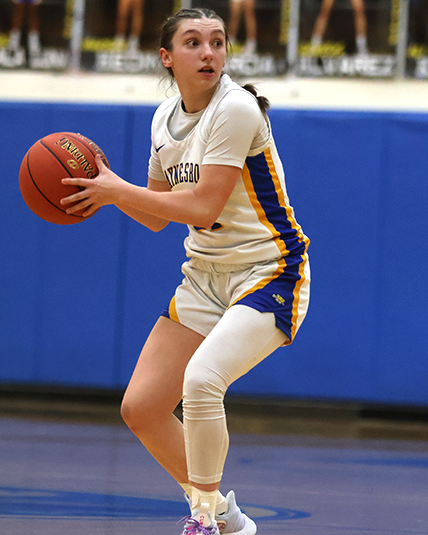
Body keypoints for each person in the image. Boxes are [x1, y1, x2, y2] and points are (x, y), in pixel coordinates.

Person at [60, 7, 311, 535]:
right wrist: (109, 193)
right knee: (142, 408)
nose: (209, 52)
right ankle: (226, 517)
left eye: (217, 42)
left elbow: (202, 205)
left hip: (268, 270)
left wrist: (118, 189)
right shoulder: (162, 119)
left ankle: (201, 522)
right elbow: (156, 215)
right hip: (204, 276)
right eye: (193, 42)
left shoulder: (236, 108)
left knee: (202, 380)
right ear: (167, 58)